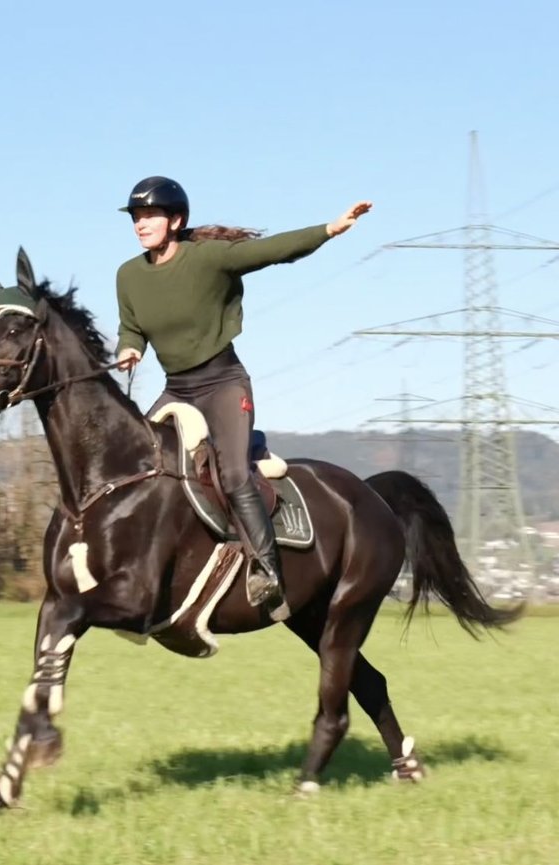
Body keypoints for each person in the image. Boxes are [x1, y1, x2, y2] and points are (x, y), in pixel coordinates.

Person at [114, 175, 372, 615]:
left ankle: (266, 567)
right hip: (177, 391)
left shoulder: (209, 258)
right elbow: (131, 326)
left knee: (233, 475)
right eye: (136, 216)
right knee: (136, 465)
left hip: (223, 384)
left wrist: (330, 229)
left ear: (176, 220)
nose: (141, 223)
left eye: (150, 215)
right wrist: (129, 347)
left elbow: (273, 252)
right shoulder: (129, 275)